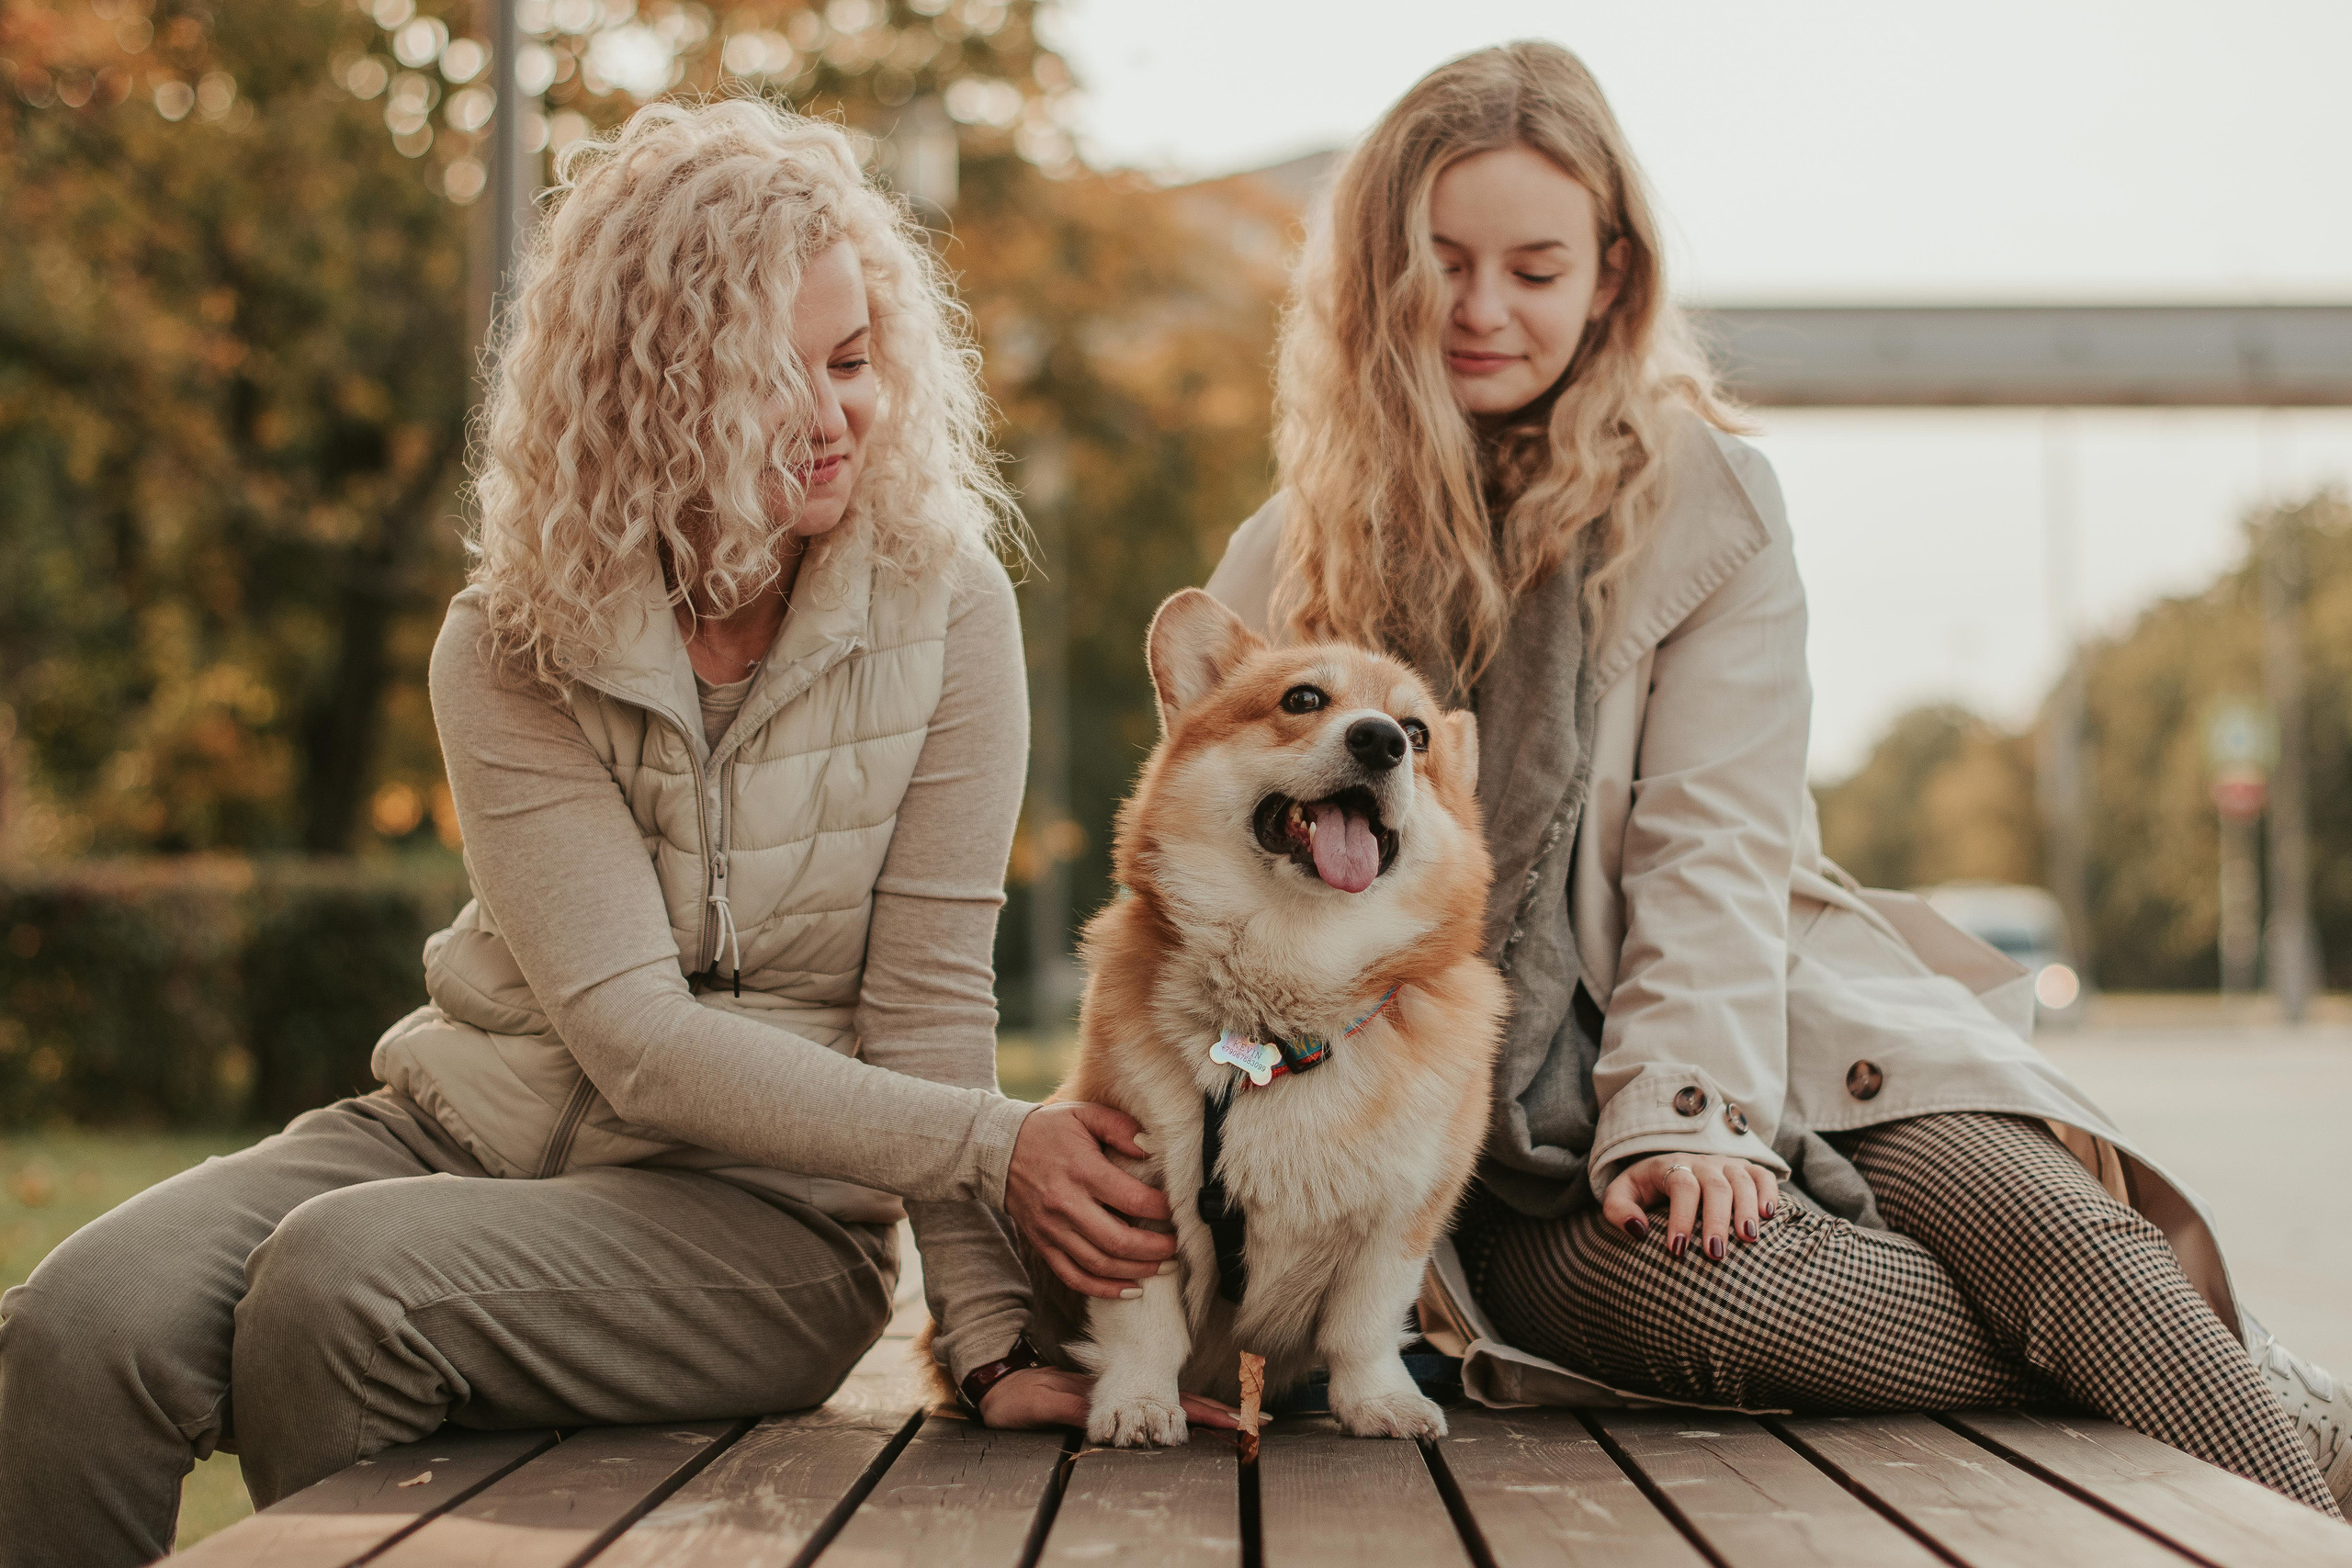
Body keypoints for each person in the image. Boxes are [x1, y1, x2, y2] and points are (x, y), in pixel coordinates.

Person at [0, 100, 1216, 1568]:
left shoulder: (950, 609)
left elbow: (929, 994)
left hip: (761, 1224)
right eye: (781, 380)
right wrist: (992, 1142)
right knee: (69, 1333)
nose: (839, 417)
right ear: (653, 394)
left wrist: (992, 1336)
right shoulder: (508, 639)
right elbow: (631, 1034)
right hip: (458, 1133)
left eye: (856, 363)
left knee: (343, 1285)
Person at [1204, 42, 2352, 1517]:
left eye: (1536, 268)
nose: (1484, 310)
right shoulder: (1283, 561)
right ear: (1374, 275)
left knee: (2063, 1243)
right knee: (1719, 1304)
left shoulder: (1707, 499)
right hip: (1486, 1138)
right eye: (1440, 265)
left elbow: (1712, 852)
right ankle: (2246, 1380)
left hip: (1778, 1020)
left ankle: (2282, 1472)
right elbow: (1232, 907)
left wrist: (1686, 1108)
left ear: (1612, 278)